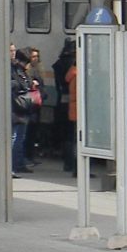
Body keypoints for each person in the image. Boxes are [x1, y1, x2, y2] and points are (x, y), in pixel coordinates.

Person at [10, 44, 41, 175]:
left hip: (21, 108)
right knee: (15, 138)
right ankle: (13, 165)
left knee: (20, 138)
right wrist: (29, 84)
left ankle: (19, 163)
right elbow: (15, 84)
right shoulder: (15, 70)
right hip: (16, 108)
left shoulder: (19, 70)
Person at [51, 39, 75, 170]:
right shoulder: (73, 66)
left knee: (67, 133)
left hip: (61, 100)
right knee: (73, 134)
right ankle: (74, 164)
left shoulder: (59, 64)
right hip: (73, 102)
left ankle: (68, 162)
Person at [60, 48, 79, 173]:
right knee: (77, 140)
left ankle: (70, 164)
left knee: (72, 138)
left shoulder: (72, 74)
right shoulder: (78, 75)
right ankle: (75, 166)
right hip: (78, 110)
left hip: (73, 109)